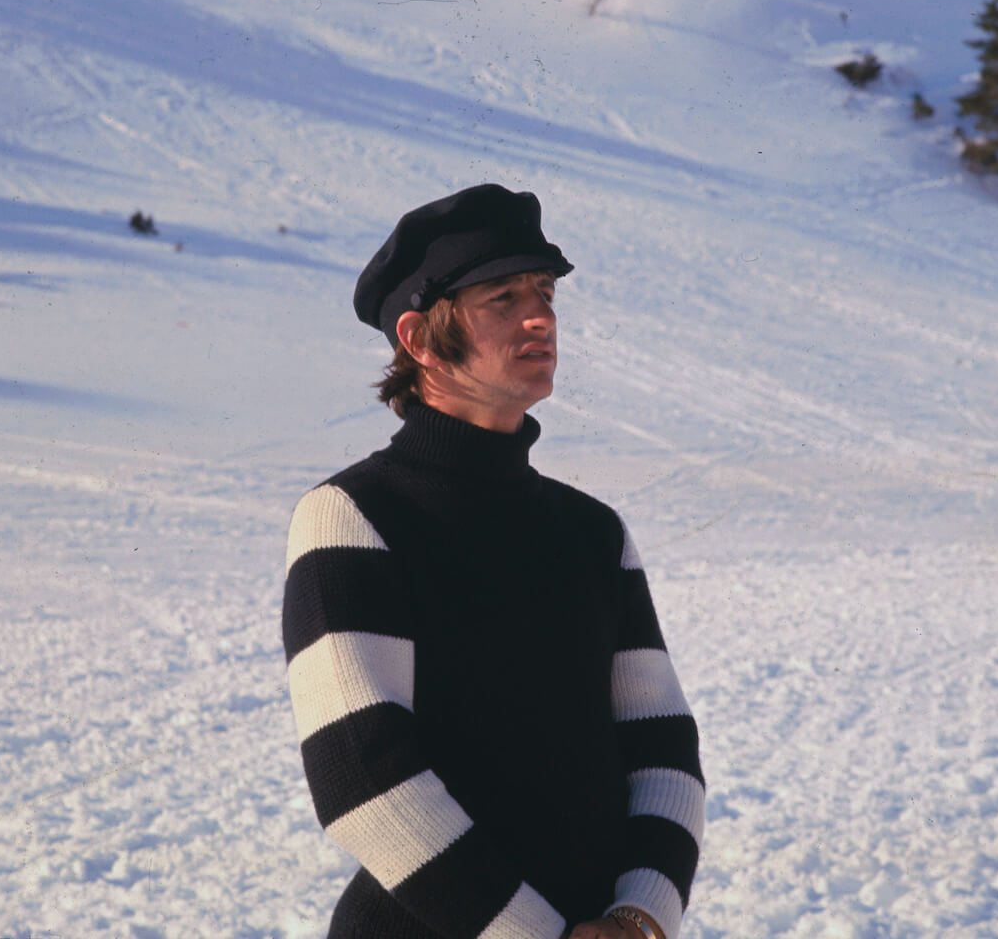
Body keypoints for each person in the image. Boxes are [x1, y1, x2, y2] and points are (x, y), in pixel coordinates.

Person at [282, 184, 703, 939]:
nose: (540, 316)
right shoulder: (352, 517)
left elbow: (664, 746)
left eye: (543, 292)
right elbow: (361, 775)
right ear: (417, 337)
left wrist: (639, 918)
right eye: (503, 298)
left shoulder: (593, 531)